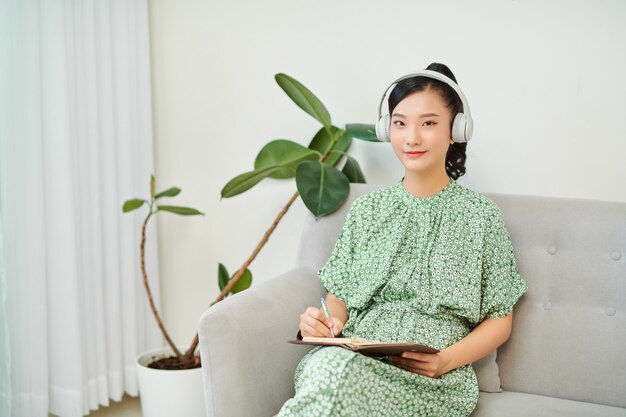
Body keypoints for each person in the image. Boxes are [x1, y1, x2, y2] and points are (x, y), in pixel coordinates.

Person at [276, 63, 528, 417]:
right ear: (386, 129)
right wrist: (326, 324)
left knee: (332, 378)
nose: (411, 137)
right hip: (352, 360)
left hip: (434, 379)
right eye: (399, 122)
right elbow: (339, 301)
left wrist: (444, 361)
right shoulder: (366, 211)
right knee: (329, 370)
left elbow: (500, 319)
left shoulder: (481, 217)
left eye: (428, 123)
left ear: (456, 130)